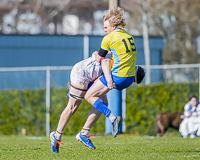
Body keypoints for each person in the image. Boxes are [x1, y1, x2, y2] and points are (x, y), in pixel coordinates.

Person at [75, 7, 145, 149]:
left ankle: (113, 118)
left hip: (118, 77)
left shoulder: (109, 38)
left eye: (106, 27)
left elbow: (100, 58)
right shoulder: (128, 36)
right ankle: (84, 132)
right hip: (130, 77)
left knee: (89, 96)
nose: (104, 29)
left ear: (113, 26)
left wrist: (96, 56)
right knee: (100, 99)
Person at [50, 51, 113, 153]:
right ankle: (56, 135)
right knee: (72, 107)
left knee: (103, 103)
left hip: (94, 76)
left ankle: (84, 133)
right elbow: (97, 54)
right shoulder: (111, 45)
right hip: (83, 73)